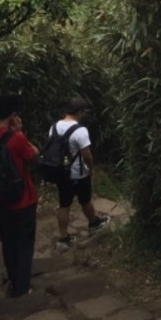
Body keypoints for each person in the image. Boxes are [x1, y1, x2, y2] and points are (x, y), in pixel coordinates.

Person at [0, 94, 39, 298]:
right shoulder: (16, 138)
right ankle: (22, 288)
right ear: (12, 116)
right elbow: (33, 155)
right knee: (25, 244)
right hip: (23, 200)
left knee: (8, 243)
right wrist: (20, 131)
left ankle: (14, 280)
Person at [51, 96, 110, 247]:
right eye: (84, 112)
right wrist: (91, 169)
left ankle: (64, 238)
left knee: (64, 204)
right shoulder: (80, 130)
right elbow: (86, 155)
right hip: (77, 173)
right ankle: (94, 224)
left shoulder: (54, 127)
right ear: (80, 111)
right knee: (85, 200)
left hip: (61, 173)